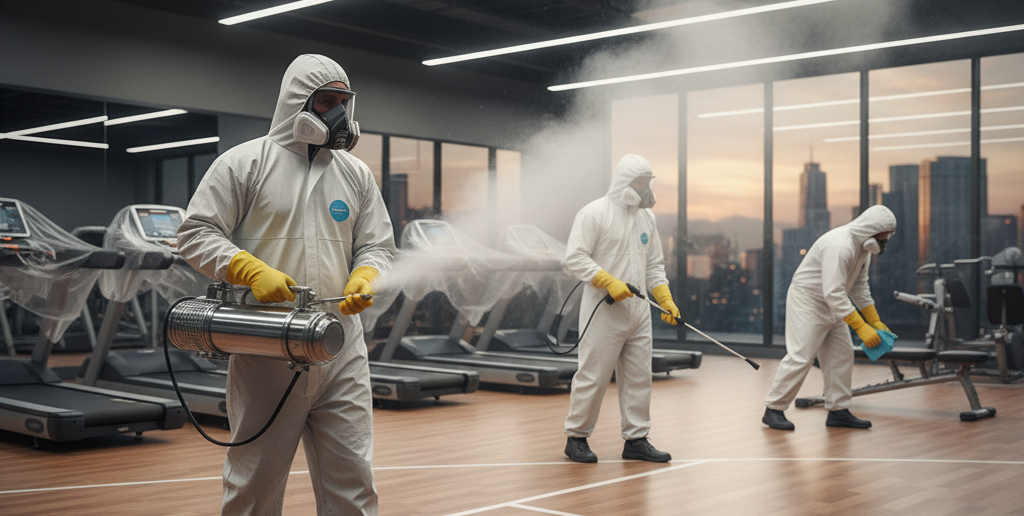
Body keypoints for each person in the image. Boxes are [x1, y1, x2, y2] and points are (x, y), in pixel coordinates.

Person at [178, 54, 395, 516]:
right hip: (267, 348)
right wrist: (248, 269)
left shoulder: (354, 174)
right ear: (299, 103)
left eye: (343, 102)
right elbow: (195, 235)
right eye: (326, 102)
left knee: (354, 481)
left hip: (341, 348)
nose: (337, 113)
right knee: (255, 482)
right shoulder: (244, 163)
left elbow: (378, 245)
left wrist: (366, 273)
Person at [562, 154, 679, 463]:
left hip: (639, 313)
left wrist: (665, 298)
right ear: (625, 181)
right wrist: (606, 279)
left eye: (648, 182)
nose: (645, 188)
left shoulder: (647, 218)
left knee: (640, 377)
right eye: (640, 182)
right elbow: (574, 257)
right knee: (593, 376)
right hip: (604, 308)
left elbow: (654, 265)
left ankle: (637, 439)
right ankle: (576, 437)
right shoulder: (594, 213)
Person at [762, 204, 897, 431]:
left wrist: (873, 321)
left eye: (888, 235)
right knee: (801, 356)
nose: (886, 239)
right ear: (871, 230)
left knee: (842, 356)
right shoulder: (840, 245)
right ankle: (773, 409)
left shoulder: (863, 247)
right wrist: (861, 327)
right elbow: (833, 292)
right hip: (809, 301)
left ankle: (838, 411)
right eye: (884, 234)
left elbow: (859, 287)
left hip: (835, 303)